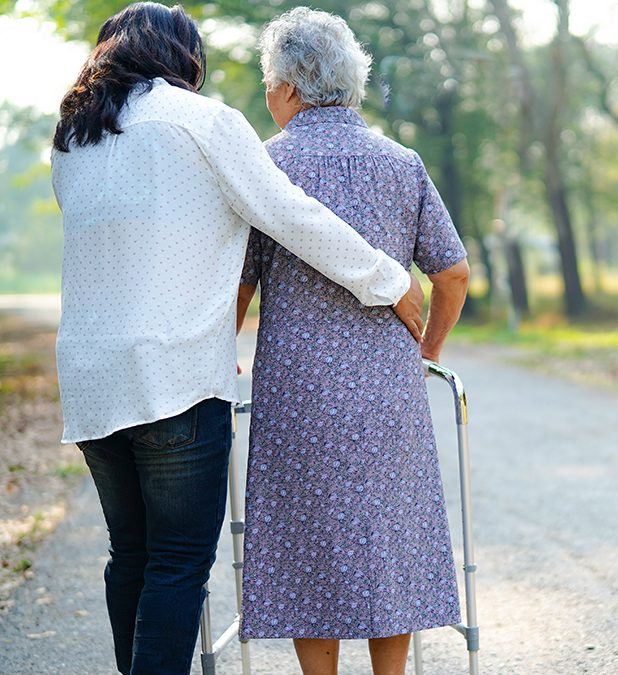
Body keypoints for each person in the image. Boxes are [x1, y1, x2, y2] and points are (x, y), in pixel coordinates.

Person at [51, 3, 426, 673]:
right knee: (175, 562)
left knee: (129, 553)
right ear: (181, 57)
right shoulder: (203, 122)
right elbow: (292, 215)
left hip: (89, 378)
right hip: (175, 375)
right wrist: (389, 278)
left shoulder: (73, 136)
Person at [235, 8, 471, 675]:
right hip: (387, 393)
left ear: (287, 86)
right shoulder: (401, 163)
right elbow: (451, 273)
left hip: (297, 393)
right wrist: (427, 349)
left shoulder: (263, 167)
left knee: (312, 544)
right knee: (385, 543)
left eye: (266, 80)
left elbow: (237, 287)